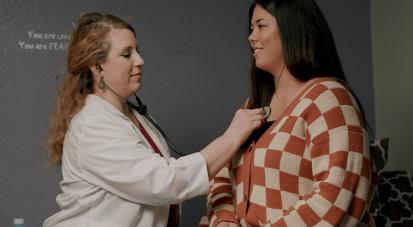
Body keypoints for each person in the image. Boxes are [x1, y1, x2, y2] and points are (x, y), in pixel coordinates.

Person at [43, 13, 266, 227]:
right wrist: (232, 137)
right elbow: (163, 182)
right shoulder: (91, 126)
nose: (140, 60)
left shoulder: (135, 116)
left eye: (138, 51)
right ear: (98, 67)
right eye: (126, 54)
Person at [200, 0, 374, 227]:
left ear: (293, 30)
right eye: (251, 28)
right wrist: (224, 219)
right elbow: (220, 175)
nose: (251, 37)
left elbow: (335, 198)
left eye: (261, 26)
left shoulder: (330, 100)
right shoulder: (253, 107)